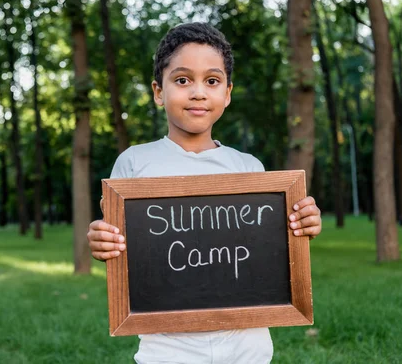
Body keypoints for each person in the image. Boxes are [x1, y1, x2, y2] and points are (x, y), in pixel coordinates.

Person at [87, 22, 322, 364]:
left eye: (211, 81)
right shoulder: (134, 164)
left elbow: (274, 245)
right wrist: (101, 242)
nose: (198, 92)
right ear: (158, 91)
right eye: (182, 80)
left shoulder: (249, 168)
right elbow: (117, 244)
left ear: (227, 93)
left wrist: (304, 224)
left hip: (247, 344)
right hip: (166, 347)